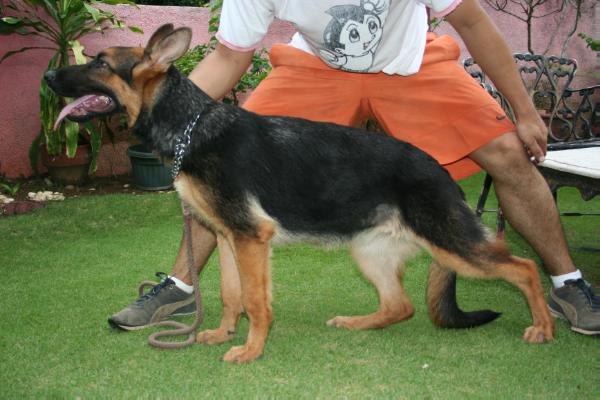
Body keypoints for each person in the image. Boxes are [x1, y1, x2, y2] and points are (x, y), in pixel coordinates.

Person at [108, 0, 600, 336]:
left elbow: (472, 22)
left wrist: (525, 110)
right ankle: (179, 287)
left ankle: (567, 284)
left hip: (411, 64)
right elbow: (230, 56)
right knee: (222, 164)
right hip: (317, 69)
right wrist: (174, 116)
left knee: (509, 153)